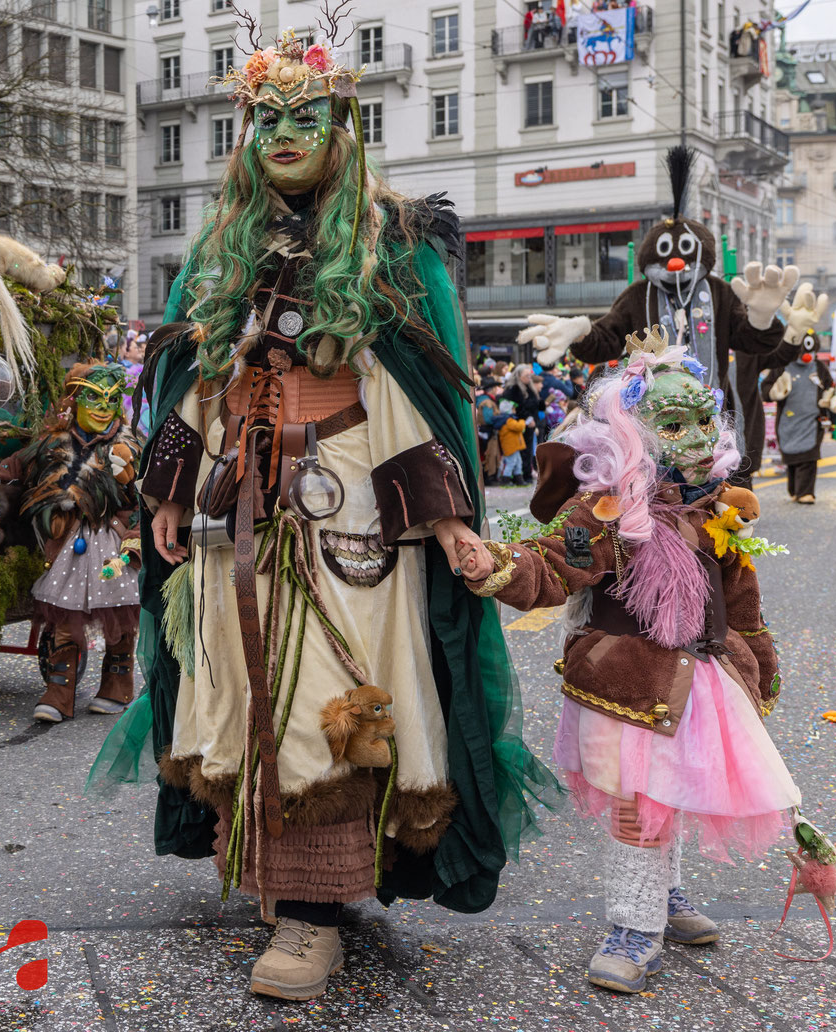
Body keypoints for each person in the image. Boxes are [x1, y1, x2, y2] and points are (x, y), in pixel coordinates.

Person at [91, 24, 553, 1002]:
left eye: (305, 116)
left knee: (329, 714)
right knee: (247, 699)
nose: (284, 134)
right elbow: (192, 381)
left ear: (344, 125)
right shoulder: (220, 252)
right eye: (266, 118)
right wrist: (170, 488)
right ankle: (278, 878)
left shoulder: (391, 246)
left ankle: (312, 915)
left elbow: (415, 403)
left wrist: (449, 524)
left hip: (349, 529)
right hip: (234, 523)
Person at [458, 326, 800, 993]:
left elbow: (742, 596)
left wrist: (759, 661)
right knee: (637, 804)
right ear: (632, 432)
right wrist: (501, 566)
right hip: (626, 685)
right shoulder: (607, 510)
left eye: (704, 418)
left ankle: (663, 899)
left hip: (701, 681)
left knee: (666, 797)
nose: (697, 434)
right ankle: (632, 925)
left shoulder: (717, 507)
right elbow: (558, 563)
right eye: (675, 422)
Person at [518, 146, 809, 488]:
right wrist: (581, 332)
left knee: (724, 500)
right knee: (662, 501)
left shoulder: (718, 292)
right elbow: (606, 340)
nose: (675, 262)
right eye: (666, 254)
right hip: (653, 423)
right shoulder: (639, 295)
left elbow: (752, 340)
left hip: (714, 412)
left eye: (684, 253)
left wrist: (762, 316)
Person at [0, 363, 141, 722]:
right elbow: (14, 468)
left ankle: (117, 684)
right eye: (93, 396)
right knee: (63, 621)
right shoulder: (52, 442)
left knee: (119, 616)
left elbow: (146, 498)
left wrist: (132, 530)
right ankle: (58, 693)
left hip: (110, 544)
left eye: (112, 398)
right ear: (73, 400)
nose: (103, 407)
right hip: (67, 544)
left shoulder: (129, 447)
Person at [762, 328, 834, 503]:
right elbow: (766, 389)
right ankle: (795, 490)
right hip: (787, 420)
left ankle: (805, 492)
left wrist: (829, 399)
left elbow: (829, 385)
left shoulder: (818, 366)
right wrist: (775, 392)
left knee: (809, 456)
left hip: (812, 420)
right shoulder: (782, 365)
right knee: (791, 453)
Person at [502, 364, 542, 482]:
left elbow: (535, 404)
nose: (529, 378)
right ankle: (519, 475)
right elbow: (517, 408)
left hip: (530, 423)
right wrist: (527, 418)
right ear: (518, 376)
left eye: (530, 375)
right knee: (520, 451)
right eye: (526, 375)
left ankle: (525, 474)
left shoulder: (529, 388)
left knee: (528, 450)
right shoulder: (514, 389)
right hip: (519, 424)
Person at [475, 376, 502, 484]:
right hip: (488, 431)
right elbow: (488, 419)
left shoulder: (484, 399)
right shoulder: (487, 402)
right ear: (493, 388)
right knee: (489, 454)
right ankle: (488, 478)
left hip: (484, 431)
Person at [497, 399, 526, 485]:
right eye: (513, 409)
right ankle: (505, 480)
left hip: (513, 447)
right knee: (511, 463)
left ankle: (519, 480)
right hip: (511, 447)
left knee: (518, 462)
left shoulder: (507, 420)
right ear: (508, 410)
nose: (515, 410)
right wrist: (523, 421)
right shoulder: (508, 420)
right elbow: (519, 427)